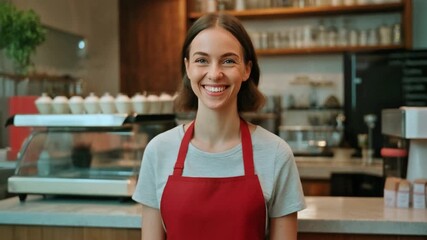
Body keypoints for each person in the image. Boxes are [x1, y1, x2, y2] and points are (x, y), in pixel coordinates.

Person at [132, 12, 306, 240]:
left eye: (229, 60)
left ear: (246, 69)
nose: (214, 74)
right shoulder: (158, 151)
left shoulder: (276, 154)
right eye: (202, 60)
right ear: (187, 67)